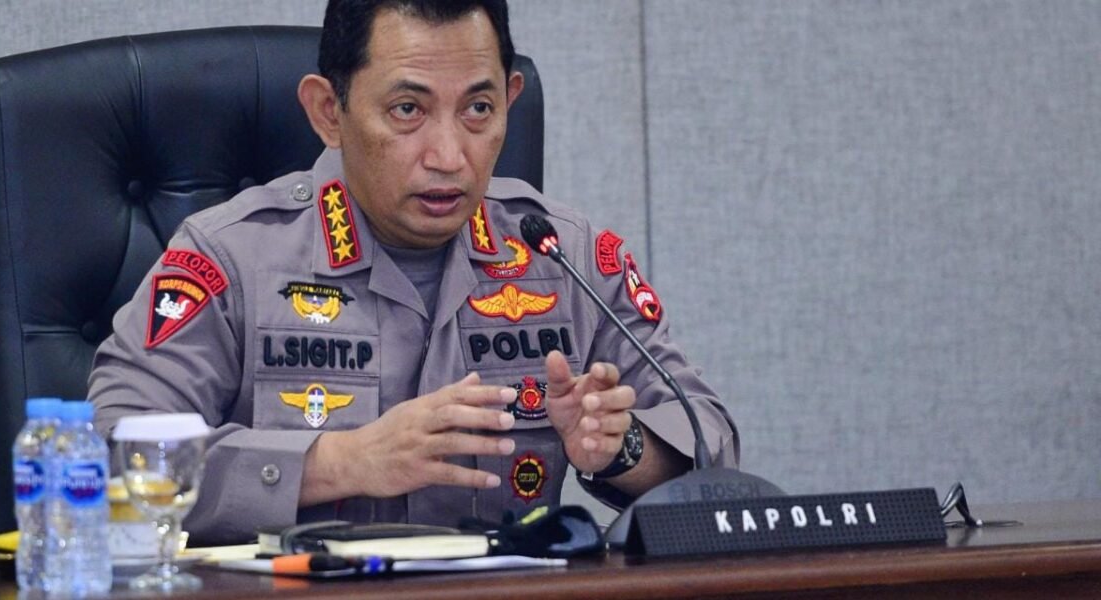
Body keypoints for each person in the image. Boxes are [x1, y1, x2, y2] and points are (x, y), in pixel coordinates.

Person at [90, 0, 739, 545]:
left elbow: (712, 450)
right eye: (408, 109)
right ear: (328, 111)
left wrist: (622, 448)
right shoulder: (232, 258)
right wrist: (339, 462)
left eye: (478, 109)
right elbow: (108, 455)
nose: (449, 156)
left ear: (510, 101)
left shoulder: (563, 257)